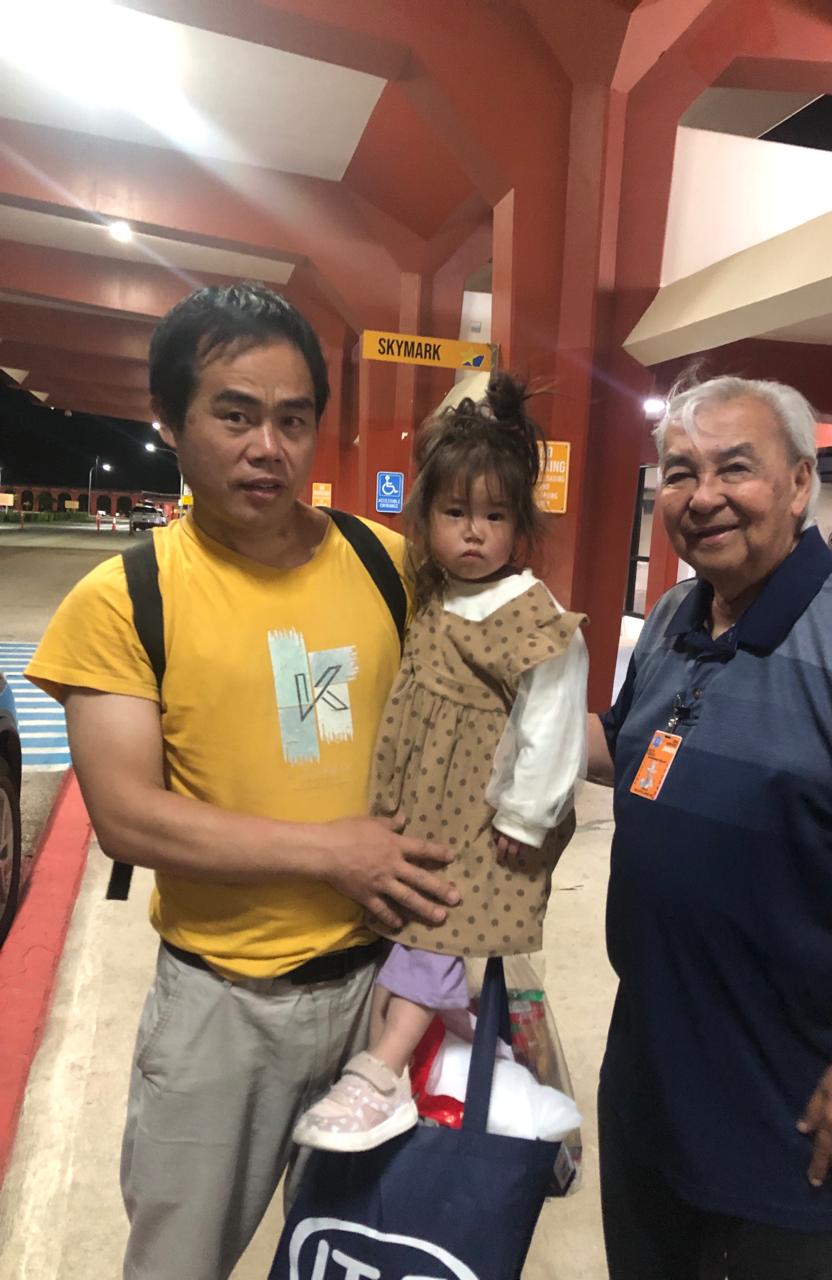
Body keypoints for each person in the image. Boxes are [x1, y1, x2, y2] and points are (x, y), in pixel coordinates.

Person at [24, 282, 461, 1280]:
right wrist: (333, 850)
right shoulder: (125, 598)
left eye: (293, 417)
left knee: (369, 1255)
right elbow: (130, 817)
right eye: (235, 413)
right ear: (171, 421)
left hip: (384, 993)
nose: (269, 444)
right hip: (224, 1009)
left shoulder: (385, 561)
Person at [586, 376, 832, 1280]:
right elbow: (624, 752)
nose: (703, 495)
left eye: (735, 468)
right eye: (679, 472)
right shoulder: (675, 617)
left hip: (808, 1127)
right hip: (654, 1098)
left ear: (799, 483)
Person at [293, 373, 588, 1151]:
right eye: (455, 513)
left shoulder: (534, 615)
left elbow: (552, 724)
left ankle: (381, 1074)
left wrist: (527, 814)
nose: (474, 533)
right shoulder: (433, 591)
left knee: (435, 927)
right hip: (417, 798)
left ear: (521, 523)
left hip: (481, 815)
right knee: (413, 927)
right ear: (424, 517)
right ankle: (438, 1054)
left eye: (495, 516)